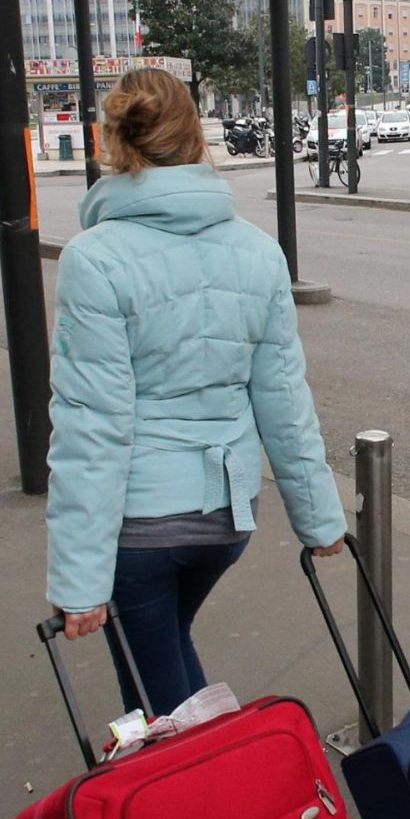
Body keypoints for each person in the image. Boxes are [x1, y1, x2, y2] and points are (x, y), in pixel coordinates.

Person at [47, 67, 346, 716]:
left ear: (114, 142)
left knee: (157, 706)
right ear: (197, 137)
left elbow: (92, 424)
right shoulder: (258, 252)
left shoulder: (94, 258)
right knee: (167, 652)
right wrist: (319, 517)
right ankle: (213, 792)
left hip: (143, 524)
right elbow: (284, 401)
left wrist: (78, 580)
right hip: (225, 519)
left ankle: (209, 810)